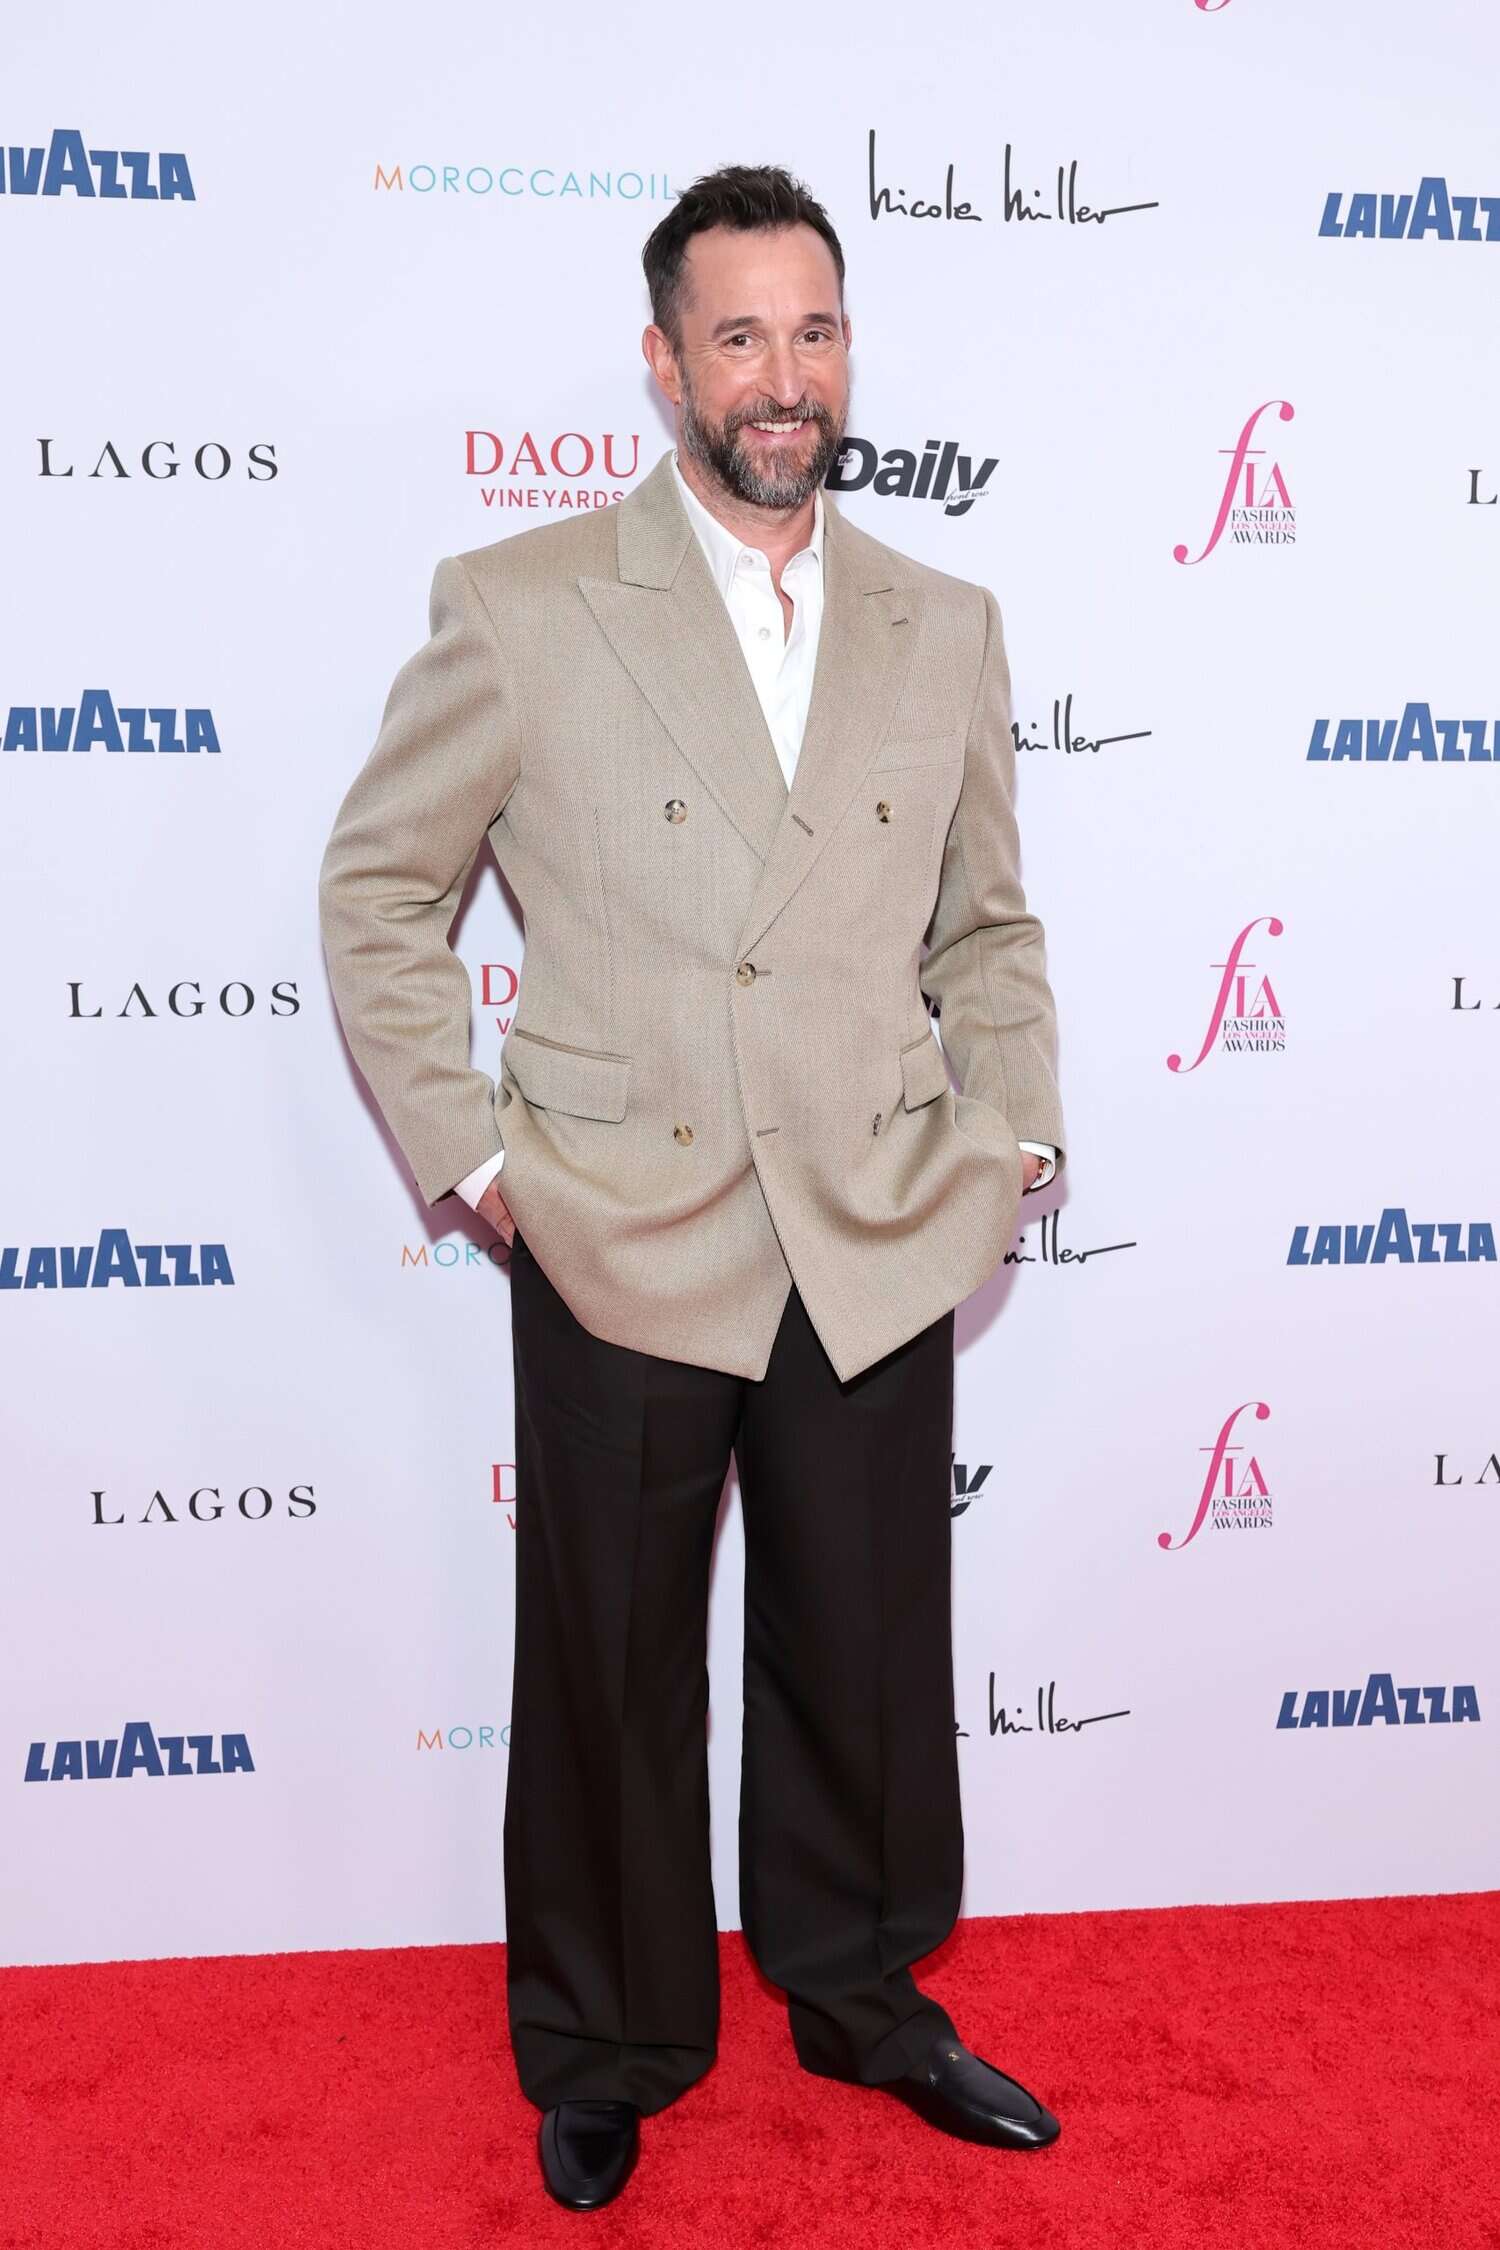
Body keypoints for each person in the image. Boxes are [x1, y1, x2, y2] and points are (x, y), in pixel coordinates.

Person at [318, 162, 1067, 2212]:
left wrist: (1012, 1128)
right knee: (610, 1665)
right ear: (664, 364)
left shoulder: (943, 621)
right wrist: (483, 1160)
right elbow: (379, 888)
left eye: (812, 331)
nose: (782, 375)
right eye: (738, 336)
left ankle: (861, 1990)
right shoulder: (525, 600)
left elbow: (988, 925)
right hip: (621, 1227)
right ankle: (608, 2040)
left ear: (848, 351)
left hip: (873, 1216)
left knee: (867, 1648)